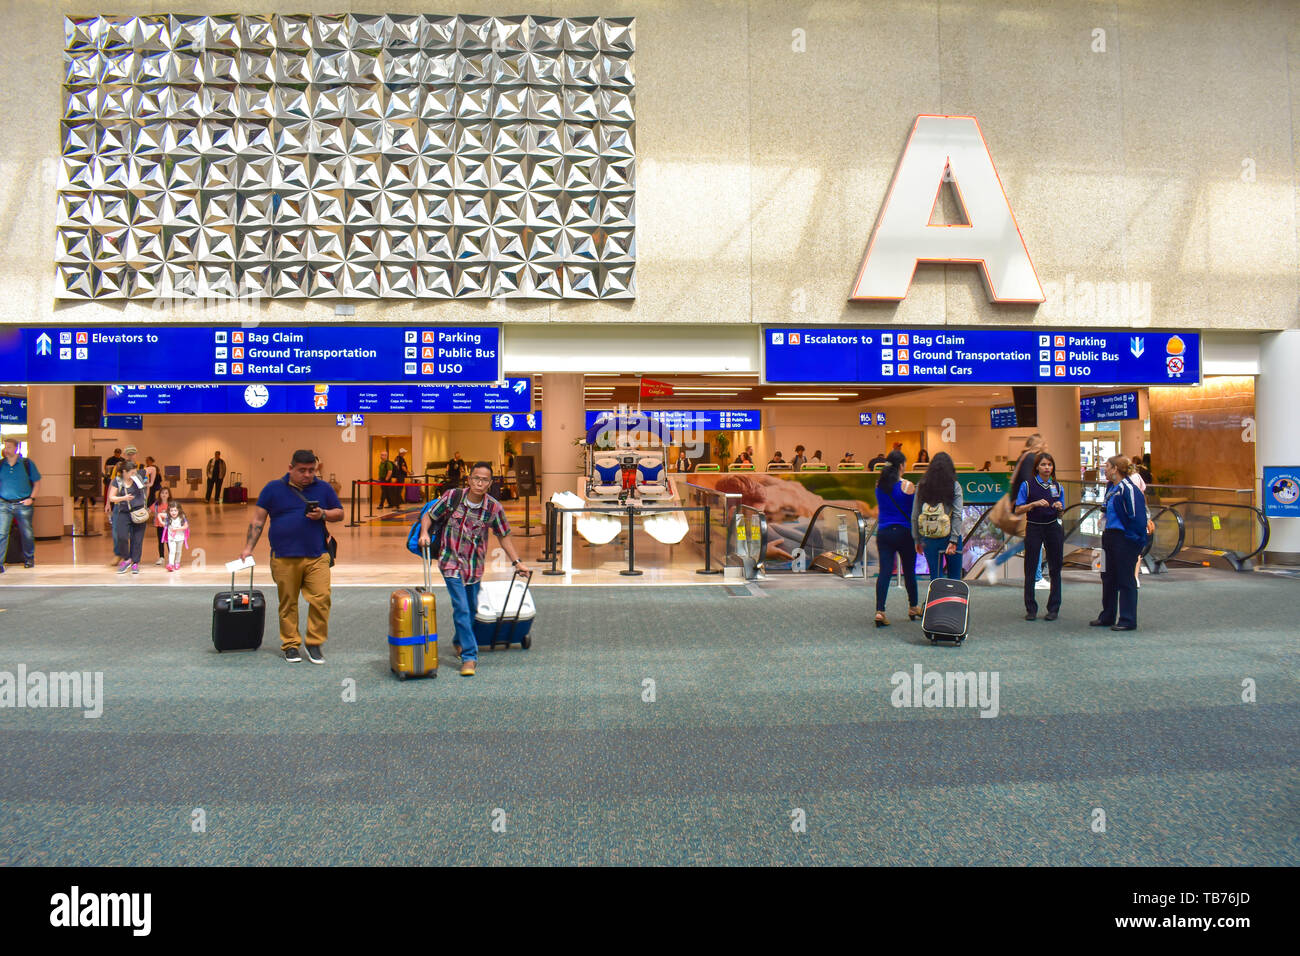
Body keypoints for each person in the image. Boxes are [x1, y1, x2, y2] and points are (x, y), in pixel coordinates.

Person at [417, 461, 529, 677]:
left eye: (484, 479)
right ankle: (469, 656)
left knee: (470, 609)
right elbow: (429, 516)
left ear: (490, 483)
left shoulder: (493, 507)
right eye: (476, 478)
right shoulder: (453, 497)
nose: (479, 482)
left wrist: (517, 562)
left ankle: (459, 640)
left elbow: (504, 536)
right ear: (469, 479)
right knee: (462, 608)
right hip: (450, 562)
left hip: (474, 567)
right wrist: (424, 533)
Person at [240, 450, 344, 664]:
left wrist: (323, 513)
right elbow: (258, 520)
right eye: (302, 471)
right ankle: (290, 645)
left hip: (317, 555)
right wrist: (248, 548)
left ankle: (314, 642)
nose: (307, 475)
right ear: (290, 468)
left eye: (311, 470)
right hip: (284, 557)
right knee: (288, 603)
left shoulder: (323, 488)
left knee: (321, 599)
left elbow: (340, 513)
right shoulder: (272, 489)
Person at [1091, 456, 1148, 632]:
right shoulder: (1111, 488)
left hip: (1123, 538)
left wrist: (1133, 540)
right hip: (1109, 536)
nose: (1104, 470)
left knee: (1125, 578)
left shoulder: (1129, 489)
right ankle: (1107, 615)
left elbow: (1137, 518)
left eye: (1107, 467)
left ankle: (1127, 619)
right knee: (1107, 577)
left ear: (1115, 469)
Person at [1014, 451, 1065, 621]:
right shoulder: (1027, 485)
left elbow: (1062, 512)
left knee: (1055, 568)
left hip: (1053, 527)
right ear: (1037, 467)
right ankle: (1031, 608)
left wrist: (1059, 508)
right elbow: (1018, 509)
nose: (1047, 468)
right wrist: (1034, 504)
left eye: (1049, 465)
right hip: (1034, 527)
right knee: (1030, 567)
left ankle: (1054, 608)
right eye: (1043, 464)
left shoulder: (1057, 486)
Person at [873, 450, 918, 627]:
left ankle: (880, 611)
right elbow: (913, 511)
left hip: (883, 532)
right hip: (904, 532)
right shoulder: (908, 486)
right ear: (901, 466)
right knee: (909, 571)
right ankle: (913, 607)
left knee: (884, 572)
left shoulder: (879, 485)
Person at [912, 451, 963, 581]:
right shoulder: (955, 486)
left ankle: (936, 600)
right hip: (950, 535)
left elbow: (915, 514)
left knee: (935, 577)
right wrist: (954, 540)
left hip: (929, 537)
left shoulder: (922, 485)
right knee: (955, 577)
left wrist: (917, 539)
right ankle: (954, 600)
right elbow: (957, 514)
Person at [1009, 434, 1049, 590]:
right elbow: (1028, 483)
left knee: (1033, 543)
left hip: (1023, 507)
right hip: (1027, 508)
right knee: (1035, 542)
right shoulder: (1031, 458)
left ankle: (1035, 576)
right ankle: (1036, 577)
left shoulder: (1024, 457)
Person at [0, 436, 41, 572]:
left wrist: (32, 498)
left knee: (26, 533)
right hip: (4, 504)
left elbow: (36, 482)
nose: (6, 450)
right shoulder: (1, 464)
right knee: (2, 533)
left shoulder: (26, 464)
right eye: (5, 447)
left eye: (9, 447)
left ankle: (29, 558)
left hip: (23, 503)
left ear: (16, 448)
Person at [107, 461, 149, 575]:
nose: (134, 475)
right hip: (123, 512)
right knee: (121, 536)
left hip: (138, 512)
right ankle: (126, 559)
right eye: (131, 472)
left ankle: (135, 563)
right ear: (124, 472)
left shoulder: (138, 477)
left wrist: (150, 483)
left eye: (135, 472)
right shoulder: (118, 481)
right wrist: (124, 498)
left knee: (137, 539)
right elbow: (111, 497)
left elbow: (152, 469)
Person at [163, 501, 190, 572]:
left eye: (175, 510)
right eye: (171, 510)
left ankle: (177, 562)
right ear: (169, 511)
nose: (173, 512)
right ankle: (171, 564)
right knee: (172, 551)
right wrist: (162, 523)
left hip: (180, 537)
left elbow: (186, 526)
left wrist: (177, 529)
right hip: (171, 538)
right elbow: (159, 515)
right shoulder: (168, 517)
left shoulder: (182, 517)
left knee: (178, 551)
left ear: (179, 510)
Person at [151, 485, 174, 565]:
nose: (164, 495)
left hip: (169, 527)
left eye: (166, 493)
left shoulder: (171, 505)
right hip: (159, 526)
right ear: (159, 494)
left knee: (169, 541)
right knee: (160, 541)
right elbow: (150, 510)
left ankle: (172, 557)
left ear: (169, 495)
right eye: (162, 493)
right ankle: (161, 557)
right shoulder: (157, 504)